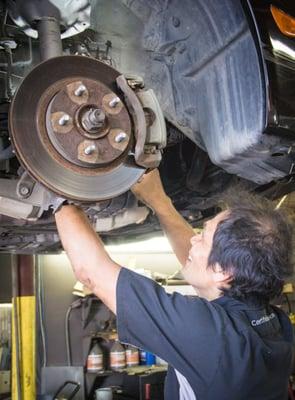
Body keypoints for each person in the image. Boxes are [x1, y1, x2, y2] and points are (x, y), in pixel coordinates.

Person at [55, 169, 294, 400]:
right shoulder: (272, 322)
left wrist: (62, 185)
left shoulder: (211, 335)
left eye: (202, 236)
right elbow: (203, 268)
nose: (193, 238)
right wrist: (159, 202)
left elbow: (91, 272)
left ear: (224, 271)